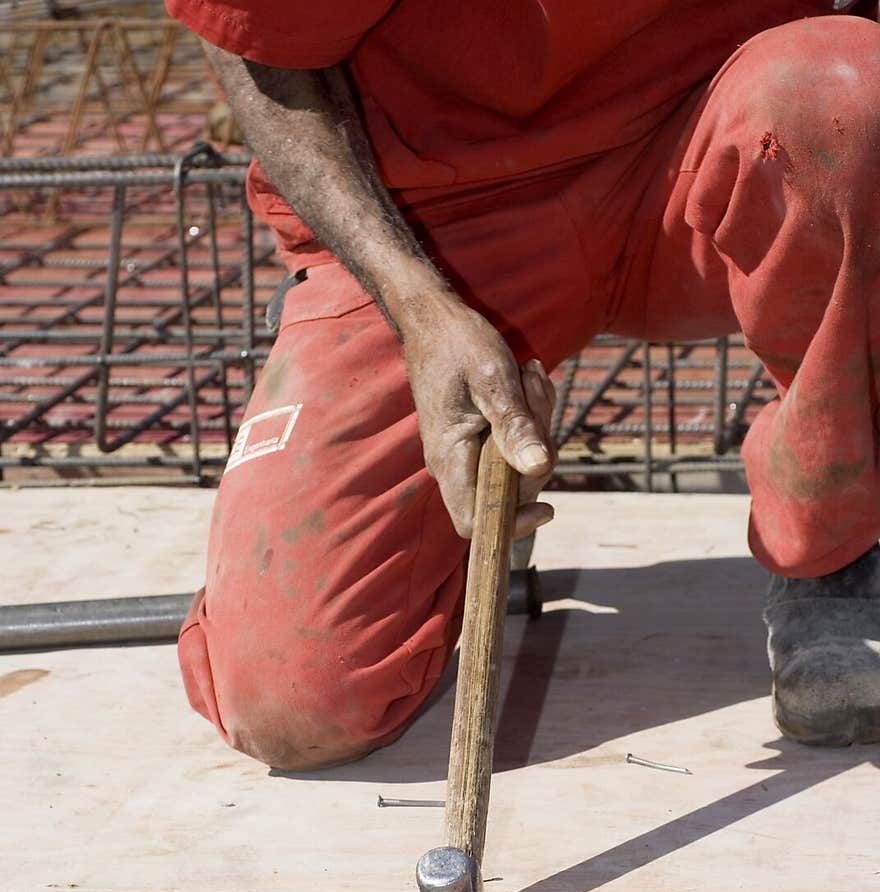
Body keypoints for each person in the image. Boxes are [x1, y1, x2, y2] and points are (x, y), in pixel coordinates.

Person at [166, 0, 880, 767]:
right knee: (297, 704)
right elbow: (258, 48)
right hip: (427, 211)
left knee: (844, 96)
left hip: (692, 153)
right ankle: (415, 476)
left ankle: (836, 551)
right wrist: (415, 306)